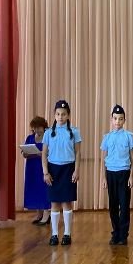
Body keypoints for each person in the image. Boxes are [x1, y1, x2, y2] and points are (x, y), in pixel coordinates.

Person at [42, 99, 81, 246]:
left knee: (67, 203)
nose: (60, 117)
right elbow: (44, 154)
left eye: (63, 114)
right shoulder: (48, 133)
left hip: (68, 169)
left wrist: (76, 170)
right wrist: (46, 172)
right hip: (53, 169)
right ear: (54, 115)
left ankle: (67, 234)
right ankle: (54, 234)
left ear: (68, 115)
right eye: (58, 114)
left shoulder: (74, 132)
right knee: (54, 204)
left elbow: (78, 153)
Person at [100, 104, 133, 245]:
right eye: (115, 119)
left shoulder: (128, 136)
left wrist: (132, 175)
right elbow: (104, 159)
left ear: (124, 120)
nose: (117, 122)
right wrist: (103, 177)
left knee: (124, 205)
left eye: (120, 119)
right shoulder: (107, 137)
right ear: (111, 119)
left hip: (124, 173)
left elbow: (132, 158)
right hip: (111, 174)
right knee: (113, 205)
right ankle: (115, 233)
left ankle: (123, 235)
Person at [21, 116, 50, 225]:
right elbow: (24, 154)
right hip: (31, 167)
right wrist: (26, 153)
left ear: (43, 127)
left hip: (43, 167)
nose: (36, 130)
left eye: (38, 127)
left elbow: (50, 152)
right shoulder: (30, 138)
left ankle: (47, 214)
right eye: (34, 128)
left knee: (44, 190)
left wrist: (41, 153)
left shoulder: (48, 137)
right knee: (34, 189)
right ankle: (39, 214)